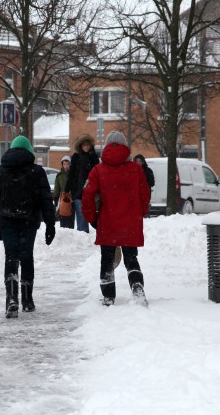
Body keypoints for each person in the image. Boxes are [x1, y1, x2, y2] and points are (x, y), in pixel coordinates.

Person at [0, 135, 56, 319]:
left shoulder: (1, 171)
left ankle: (11, 299)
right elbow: (46, 199)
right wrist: (50, 224)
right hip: (29, 220)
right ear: (29, 151)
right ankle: (27, 299)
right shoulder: (37, 171)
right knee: (26, 257)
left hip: (6, 220)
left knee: (11, 257)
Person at [81, 130, 151, 307]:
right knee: (131, 257)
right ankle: (137, 287)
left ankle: (108, 297)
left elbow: (87, 195)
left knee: (107, 259)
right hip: (130, 222)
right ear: (125, 147)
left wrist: (92, 218)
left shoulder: (98, 170)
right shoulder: (136, 169)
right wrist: (140, 213)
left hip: (108, 221)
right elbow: (145, 194)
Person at [65, 134, 99, 233]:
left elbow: (97, 173)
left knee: (88, 212)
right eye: (84, 145)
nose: (86, 147)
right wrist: (66, 191)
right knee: (81, 212)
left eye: (88, 145)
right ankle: (82, 233)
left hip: (90, 190)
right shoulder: (76, 157)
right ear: (80, 146)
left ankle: (84, 234)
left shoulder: (94, 157)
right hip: (77, 190)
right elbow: (71, 174)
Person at [53, 155, 74, 229]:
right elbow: (57, 187)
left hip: (72, 197)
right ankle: (63, 228)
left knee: (71, 215)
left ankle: (71, 229)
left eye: (67, 164)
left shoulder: (73, 174)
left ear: (70, 164)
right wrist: (55, 197)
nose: (66, 166)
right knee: (63, 213)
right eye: (64, 164)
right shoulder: (59, 175)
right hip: (63, 198)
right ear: (62, 165)